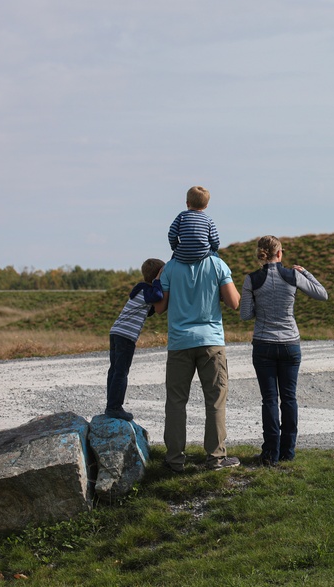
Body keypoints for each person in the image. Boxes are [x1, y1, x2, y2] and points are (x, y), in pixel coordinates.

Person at [240, 236, 328, 466]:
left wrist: (261, 305)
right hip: (290, 344)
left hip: (263, 344)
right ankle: (288, 452)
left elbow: (245, 314)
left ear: (260, 253)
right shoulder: (293, 275)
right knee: (289, 398)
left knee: (269, 400)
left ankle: (271, 453)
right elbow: (322, 294)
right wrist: (306, 272)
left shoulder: (251, 279)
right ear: (280, 253)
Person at [153, 252, 241, 472]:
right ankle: (216, 459)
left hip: (179, 342)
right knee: (215, 401)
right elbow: (234, 303)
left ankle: (174, 460)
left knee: (175, 402)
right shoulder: (218, 264)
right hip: (211, 341)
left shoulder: (171, 268)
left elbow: (159, 307)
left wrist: (158, 280)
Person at [106, 258, 165, 421]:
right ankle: (114, 407)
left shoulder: (141, 289)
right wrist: (158, 281)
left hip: (116, 332)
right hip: (126, 336)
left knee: (114, 370)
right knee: (121, 372)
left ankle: (110, 405)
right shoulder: (148, 290)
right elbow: (158, 295)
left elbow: (148, 310)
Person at [167, 185, 220, 263]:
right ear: (206, 206)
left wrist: (175, 247)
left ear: (187, 203)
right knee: (216, 256)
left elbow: (172, 234)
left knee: (172, 260)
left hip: (182, 254)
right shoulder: (208, 220)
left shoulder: (181, 216)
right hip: (203, 254)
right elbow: (215, 240)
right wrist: (214, 249)